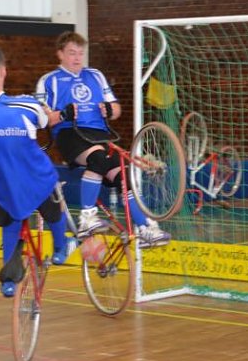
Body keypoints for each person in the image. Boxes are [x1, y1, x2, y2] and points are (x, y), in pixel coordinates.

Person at [0, 45, 77, 296]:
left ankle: (8, 282)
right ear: (3, 72)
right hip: (38, 180)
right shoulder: (25, 106)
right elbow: (46, 121)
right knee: (51, 202)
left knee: (11, 222)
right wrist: (60, 115)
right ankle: (62, 248)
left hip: (4, 187)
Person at [35, 31, 170, 247]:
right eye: (72, 53)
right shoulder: (49, 81)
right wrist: (62, 114)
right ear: (60, 54)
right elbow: (41, 119)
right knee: (98, 159)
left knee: (125, 175)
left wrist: (109, 109)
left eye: (80, 53)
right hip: (71, 134)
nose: (77, 58)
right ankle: (87, 217)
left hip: (99, 134)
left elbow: (116, 109)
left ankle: (145, 228)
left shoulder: (95, 75)